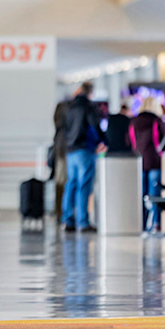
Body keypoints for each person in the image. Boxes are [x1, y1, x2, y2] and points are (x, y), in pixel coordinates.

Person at [60, 82, 103, 233]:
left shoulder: (69, 107)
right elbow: (95, 126)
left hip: (71, 151)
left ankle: (67, 220)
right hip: (85, 150)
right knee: (84, 186)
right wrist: (103, 141)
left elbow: (64, 129)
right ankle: (83, 222)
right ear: (90, 93)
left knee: (71, 184)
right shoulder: (88, 107)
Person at [130, 99, 165, 233]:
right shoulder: (156, 121)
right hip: (154, 162)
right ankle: (156, 223)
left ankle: (142, 224)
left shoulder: (133, 122)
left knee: (141, 194)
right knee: (155, 195)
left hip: (138, 162)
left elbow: (130, 141)